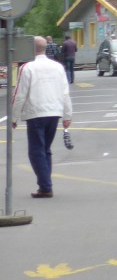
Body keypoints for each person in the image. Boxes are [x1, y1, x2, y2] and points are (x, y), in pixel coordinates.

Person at [10, 36, 74, 198]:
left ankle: (45, 186)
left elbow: (20, 94)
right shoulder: (58, 67)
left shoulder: (27, 68)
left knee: (36, 151)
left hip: (36, 112)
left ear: (32, 49)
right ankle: (44, 184)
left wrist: (14, 116)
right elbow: (65, 92)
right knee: (45, 149)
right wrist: (67, 115)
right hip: (55, 112)